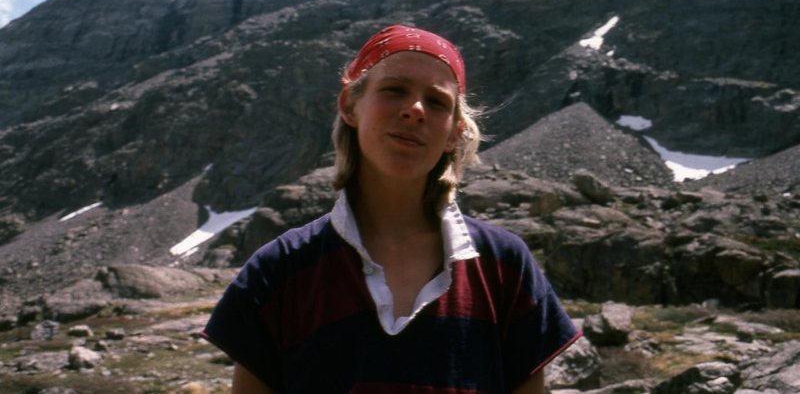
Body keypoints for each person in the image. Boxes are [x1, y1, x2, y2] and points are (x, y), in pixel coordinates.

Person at [201, 24, 581, 393]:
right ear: (350, 106)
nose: (415, 110)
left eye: (436, 102)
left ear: (454, 132)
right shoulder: (279, 270)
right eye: (394, 90)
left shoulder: (505, 266)